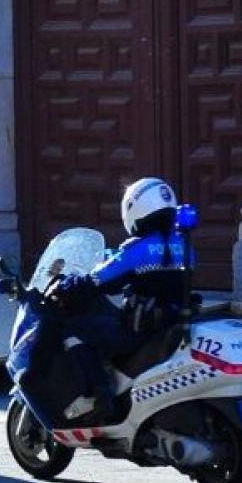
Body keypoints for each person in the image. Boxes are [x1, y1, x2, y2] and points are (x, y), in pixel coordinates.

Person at [50, 177, 192, 420]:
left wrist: (66, 285)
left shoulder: (137, 249)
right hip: (172, 323)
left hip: (140, 330)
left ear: (135, 210)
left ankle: (100, 397)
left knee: (72, 329)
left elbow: (99, 279)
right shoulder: (184, 244)